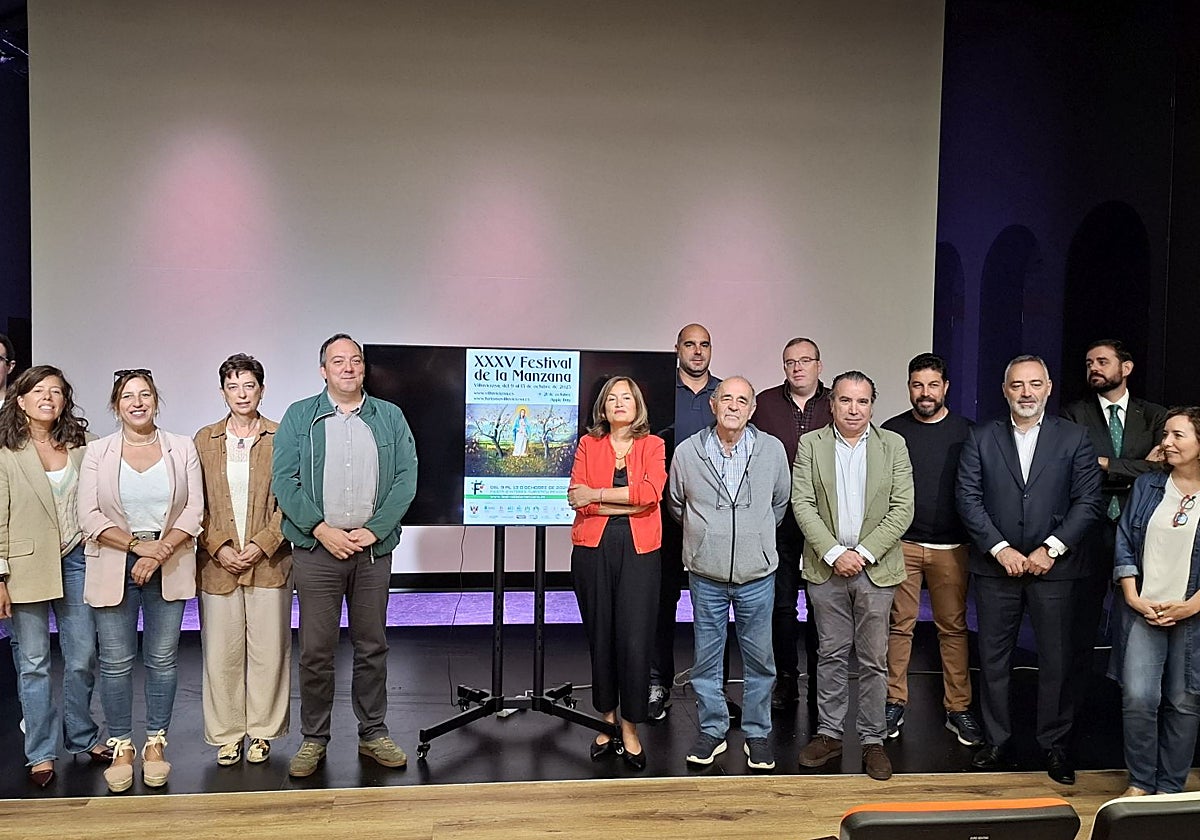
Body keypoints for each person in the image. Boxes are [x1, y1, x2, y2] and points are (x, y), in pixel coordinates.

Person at [272, 333, 418, 778]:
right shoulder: (300, 416)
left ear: (364, 367)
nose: (348, 367)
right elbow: (285, 481)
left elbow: (406, 478)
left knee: (372, 646)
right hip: (317, 551)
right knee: (316, 651)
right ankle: (314, 739)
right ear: (324, 370)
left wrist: (374, 530)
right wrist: (321, 529)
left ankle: (373, 733)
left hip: (372, 553)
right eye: (338, 361)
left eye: (355, 360)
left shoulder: (389, 416)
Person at [957, 355, 1103, 784]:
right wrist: (1000, 548)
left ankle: (1054, 745)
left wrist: (1050, 549)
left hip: (1055, 569)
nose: (1026, 393)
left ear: (1048, 388)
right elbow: (967, 498)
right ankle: (997, 741)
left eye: (1035, 384)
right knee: (993, 659)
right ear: (1005, 390)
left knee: (1056, 660)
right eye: (1017, 385)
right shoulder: (980, 437)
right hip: (995, 569)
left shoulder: (1074, 437)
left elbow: (1088, 501)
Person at [78, 369, 203, 793]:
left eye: (145, 394)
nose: (137, 402)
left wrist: (159, 552)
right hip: (114, 560)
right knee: (115, 662)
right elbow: (89, 516)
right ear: (116, 405)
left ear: (155, 401)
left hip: (169, 560)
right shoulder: (98, 452)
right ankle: (122, 746)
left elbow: (194, 510)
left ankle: (155, 743)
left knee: (162, 660)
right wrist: (137, 547)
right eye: (128, 396)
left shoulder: (181, 447)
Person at [792, 371, 914, 781]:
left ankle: (872, 740)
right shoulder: (811, 444)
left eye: (862, 401)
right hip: (825, 568)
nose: (854, 409)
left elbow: (903, 508)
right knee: (829, 654)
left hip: (875, 569)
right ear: (832, 404)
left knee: (874, 659)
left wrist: (860, 554)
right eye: (845, 400)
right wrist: (833, 553)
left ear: (872, 406)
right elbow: (802, 503)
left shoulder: (893, 445)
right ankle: (829, 734)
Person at [668, 377, 790, 771]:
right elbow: (676, 503)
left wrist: (755, 538)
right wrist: (707, 539)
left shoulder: (772, 450)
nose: (733, 406)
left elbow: (780, 502)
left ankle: (757, 733)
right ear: (713, 404)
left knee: (760, 659)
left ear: (752, 409)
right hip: (706, 574)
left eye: (742, 400)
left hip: (757, 575)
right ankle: (712, 729)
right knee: (706, 659)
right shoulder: (688, 452)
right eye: (726, 398)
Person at [0, 366, 109, 788]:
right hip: (24, 566)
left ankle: (82, 736)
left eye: (57, 391)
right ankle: (41, 753)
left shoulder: (85, 444)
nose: (48, 397)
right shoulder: (5, 450)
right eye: (39, 391)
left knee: (82, 656)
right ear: (21, 399)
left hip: (78, 559)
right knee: (33, 664)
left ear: (65, 400)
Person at [880, 354, 982, 747]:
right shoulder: (892, 432)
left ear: (946, 388)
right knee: (898, 627)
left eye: (933, 385)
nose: (925, 393)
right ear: (909, 387)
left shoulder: (967, 432)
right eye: (918, 385)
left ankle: (958, 708)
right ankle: (894, 702)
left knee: (953, 629)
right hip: (901, 545)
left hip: (952, 548)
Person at [194, 354, 290, 767]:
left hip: (269, 563)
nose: (241, 394)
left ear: (261, 390)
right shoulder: (204, 439)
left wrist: (262, 544)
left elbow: (292, 499)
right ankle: (228, 734)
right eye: (233, 387)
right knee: (222, 652)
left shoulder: (281, 436)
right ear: (223, 393)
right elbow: (192, 501)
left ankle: (263, 732)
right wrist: (219, 546)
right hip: (217, 564)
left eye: (249, 385)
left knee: (270, 651)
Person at [567, 376, 666, 770]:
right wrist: (625, 503)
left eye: (627, 397)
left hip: (640, 552)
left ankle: (630, 726)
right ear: (603, 408)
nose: (619, 403)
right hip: (592, 550)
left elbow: (651, 495)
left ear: (637, 404)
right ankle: (605, 721)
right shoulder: (587, 445)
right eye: (612, 398)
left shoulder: (653, 445)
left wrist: (598, 495)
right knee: (601, 636)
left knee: (635, 640)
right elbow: (577, 500)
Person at [1061, 340, 1166, 707]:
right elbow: (1076, 467)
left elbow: (1162, 468)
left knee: (1135, 621)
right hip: (1090, 530)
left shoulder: (1154, 416)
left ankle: (1131, 697)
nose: (1094, 368)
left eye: (1103, 361)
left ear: (1126, 367)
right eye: (1089, 362)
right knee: (1081, 622)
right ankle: (1076, 704)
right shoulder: (1074, 414)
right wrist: (1136, 467)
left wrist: (1105, 463)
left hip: (1140, 531)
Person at [1109, 406, 1200, 797]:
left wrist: (1192, 605)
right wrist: (1131, 594)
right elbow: (1125, 540)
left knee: (1184, 701)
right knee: (1138, 698)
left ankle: (1170, 789)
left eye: (1178, 435)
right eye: (1165, 434)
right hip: (1143, 609)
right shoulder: (1148, 485)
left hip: (1193, 615)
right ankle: (1141, 783)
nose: (1166, 443)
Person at [749, 337, 831, 714]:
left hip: (825, 518)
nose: (797, 368)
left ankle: (819, 679)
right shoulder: (764, 403)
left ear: (818, 365)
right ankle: (786, 678)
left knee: (820, 602)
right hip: (777, 517)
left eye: (805, 360)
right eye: (790, 362)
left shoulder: (835, 402)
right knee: (781, 604)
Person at [649, 323, 721, 720]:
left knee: (711, 604)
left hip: (713, 518)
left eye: (704, 345)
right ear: (676, 348)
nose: (697, 351)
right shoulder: (658, 393)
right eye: (689, 344)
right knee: (662, 601)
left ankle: (712, 688)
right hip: (663, 513)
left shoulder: (725, 395)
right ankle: (658, 683)